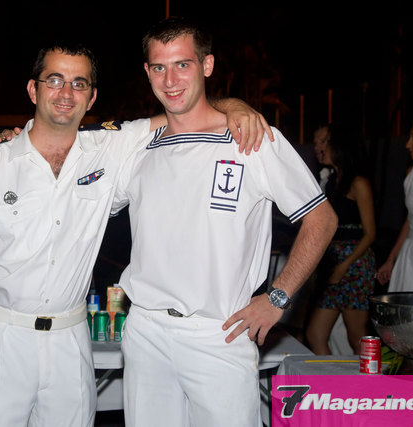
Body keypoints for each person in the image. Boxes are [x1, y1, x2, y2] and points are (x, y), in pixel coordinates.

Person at [0, 42, 270, 426]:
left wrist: (235, 107)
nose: (66, 93)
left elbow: (184, 110)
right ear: (33, 90)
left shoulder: (111, 147)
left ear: (92, 97)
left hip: (70, 340)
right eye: (54, 80)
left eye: (79, 84)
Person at [111, 17, 337, 426]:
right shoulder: (136, 148)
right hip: (145, 331)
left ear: (207, 65)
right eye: (159, 67)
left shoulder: (252, 138)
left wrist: (278, 298)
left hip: (220, 334)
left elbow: (321, 219)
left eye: (183, 64)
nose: (170, 80)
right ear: (147, 72)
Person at [305, 124, 377, 355]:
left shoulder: (358, 182)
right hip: (334, 263)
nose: (321, 148)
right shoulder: (332, 181)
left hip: (354, 265)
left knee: (356, 337)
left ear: (339, 147)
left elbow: (371, 233)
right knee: (315, 334)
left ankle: (371, 378)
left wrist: (344, 266)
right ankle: (335, 378)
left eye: (326, 143)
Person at [377, 116, 413, 291]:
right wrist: (391, 259)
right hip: (411, 252)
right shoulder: (411, 173)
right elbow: (410, 221)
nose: (408, 145)